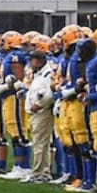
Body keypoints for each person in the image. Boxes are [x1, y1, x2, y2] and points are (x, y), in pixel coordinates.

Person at [24, 48, 55, 183]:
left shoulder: (48, 73)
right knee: (41, 143)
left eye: (33, 60)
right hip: (36, 112)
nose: (31, 63)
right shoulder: (39, 74)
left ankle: (38, 172)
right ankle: (43, 172)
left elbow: (50, 92)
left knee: (40, 143)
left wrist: (40, 104)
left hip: (42, 112)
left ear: (39, 61)